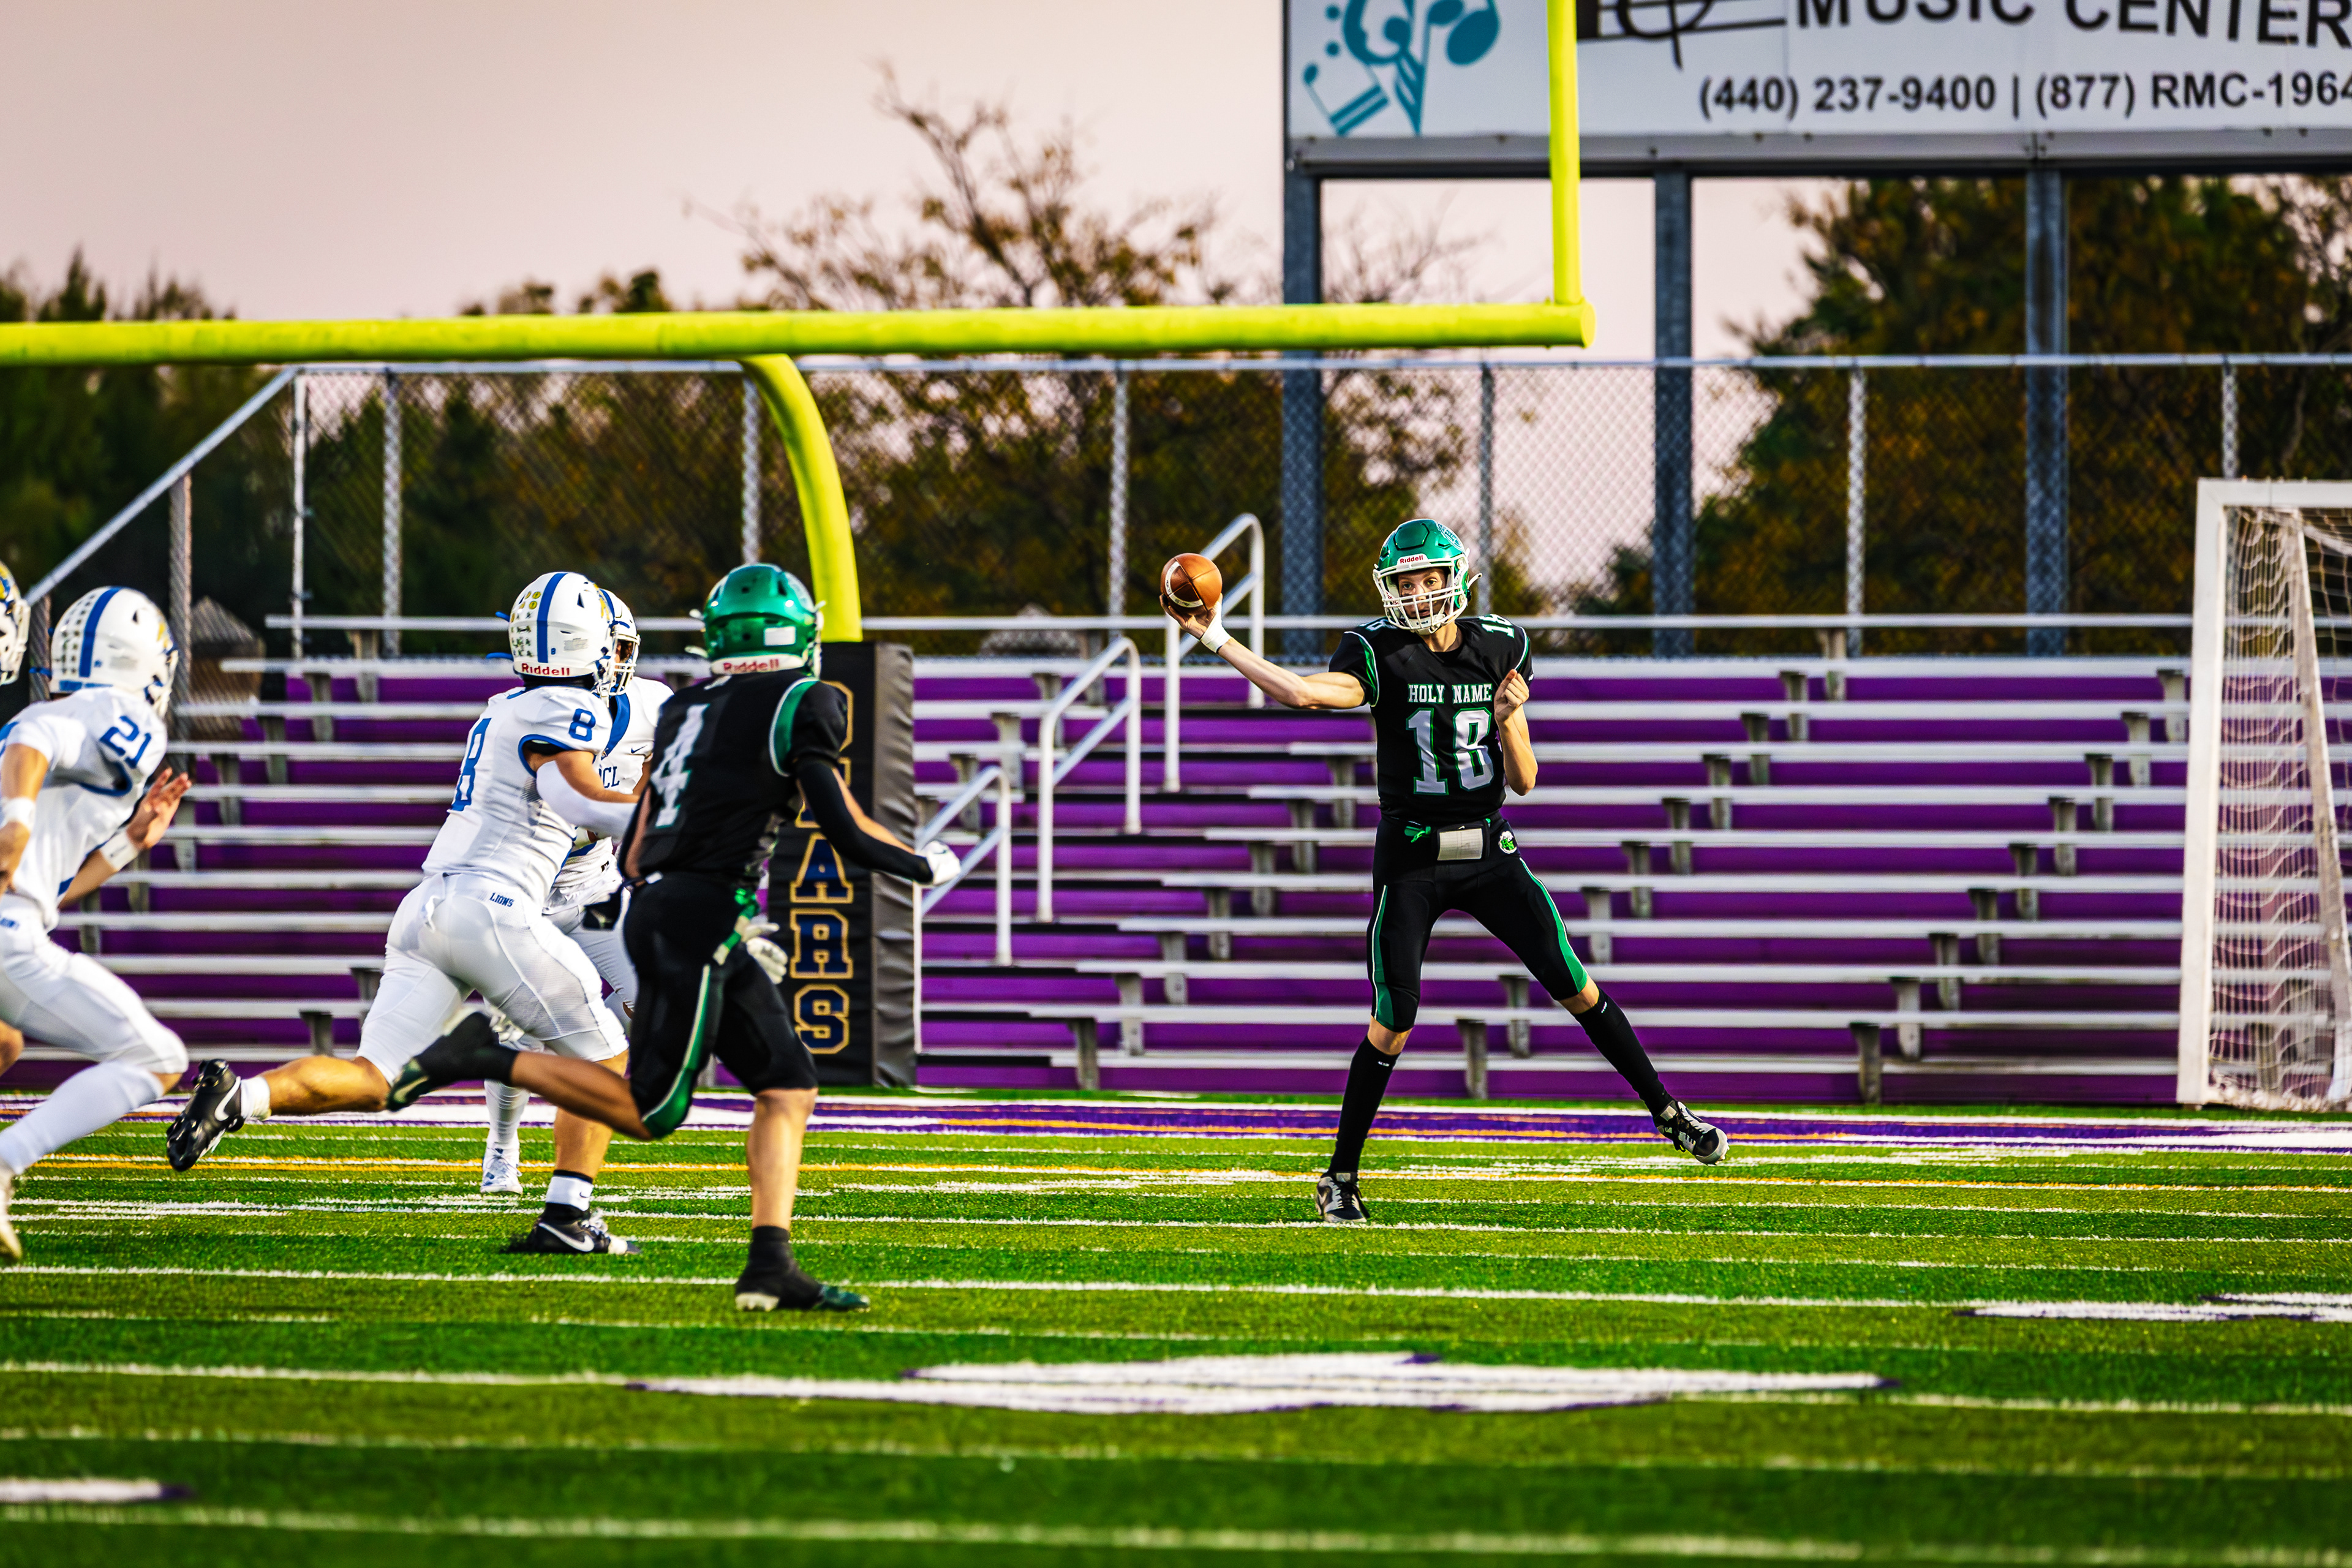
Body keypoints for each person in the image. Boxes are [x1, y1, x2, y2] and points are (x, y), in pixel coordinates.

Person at [380, 564, 959, 1312]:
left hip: (668, 903)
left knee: (788, 1084)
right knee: (651, 1110)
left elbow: (646, 825)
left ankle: (771, 1265)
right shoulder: (804, 700)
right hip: (697, 913)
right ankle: (486, 1055)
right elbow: (841, 824)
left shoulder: (684, 706)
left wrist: (648, 898)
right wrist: (923, 863)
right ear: (796, 633)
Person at [1161, 518, 1729, 1225]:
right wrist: (1216, 638)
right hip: (1412, 855)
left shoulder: (1500, 645)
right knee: (1393, 1019)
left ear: (1455, 578)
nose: (1419, 593)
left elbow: (1525, 780)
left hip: (1489, 850)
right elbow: (1305, 694)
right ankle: (1340, 1176)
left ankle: (1669, 1113)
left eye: (1429, 579)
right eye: (1406, 583)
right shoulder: (1378, 651)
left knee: (1576, 985)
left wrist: (1509, 717)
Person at [167, 571, 645, 1259]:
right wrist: (670, 812)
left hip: (427, 908)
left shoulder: (505, 707)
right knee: (605, 1059)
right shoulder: (569, 706)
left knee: (377, 1079)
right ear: (587, 642)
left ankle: (240, 1097)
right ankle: (566, 1214)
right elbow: (578, 799)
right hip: (493, 908)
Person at [0, 582, 194, 1261]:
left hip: (15, 919)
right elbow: (34, 733)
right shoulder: (121, 716)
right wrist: (14, 826)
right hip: (8, 935)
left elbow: (46, 885)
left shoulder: (73, 728)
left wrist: (129, 843)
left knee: (4, 1044)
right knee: (158, 1058)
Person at [479, 587, 669, 1234]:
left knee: (650, 998)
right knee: (516, 1032)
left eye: (624, 648)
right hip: (526, 894)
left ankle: (588, 1077)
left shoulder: (652, 704)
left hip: (595, 892)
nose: (618, 659)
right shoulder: (524, 711)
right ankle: (502, 1145)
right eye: (610, 646)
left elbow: (664, 777)